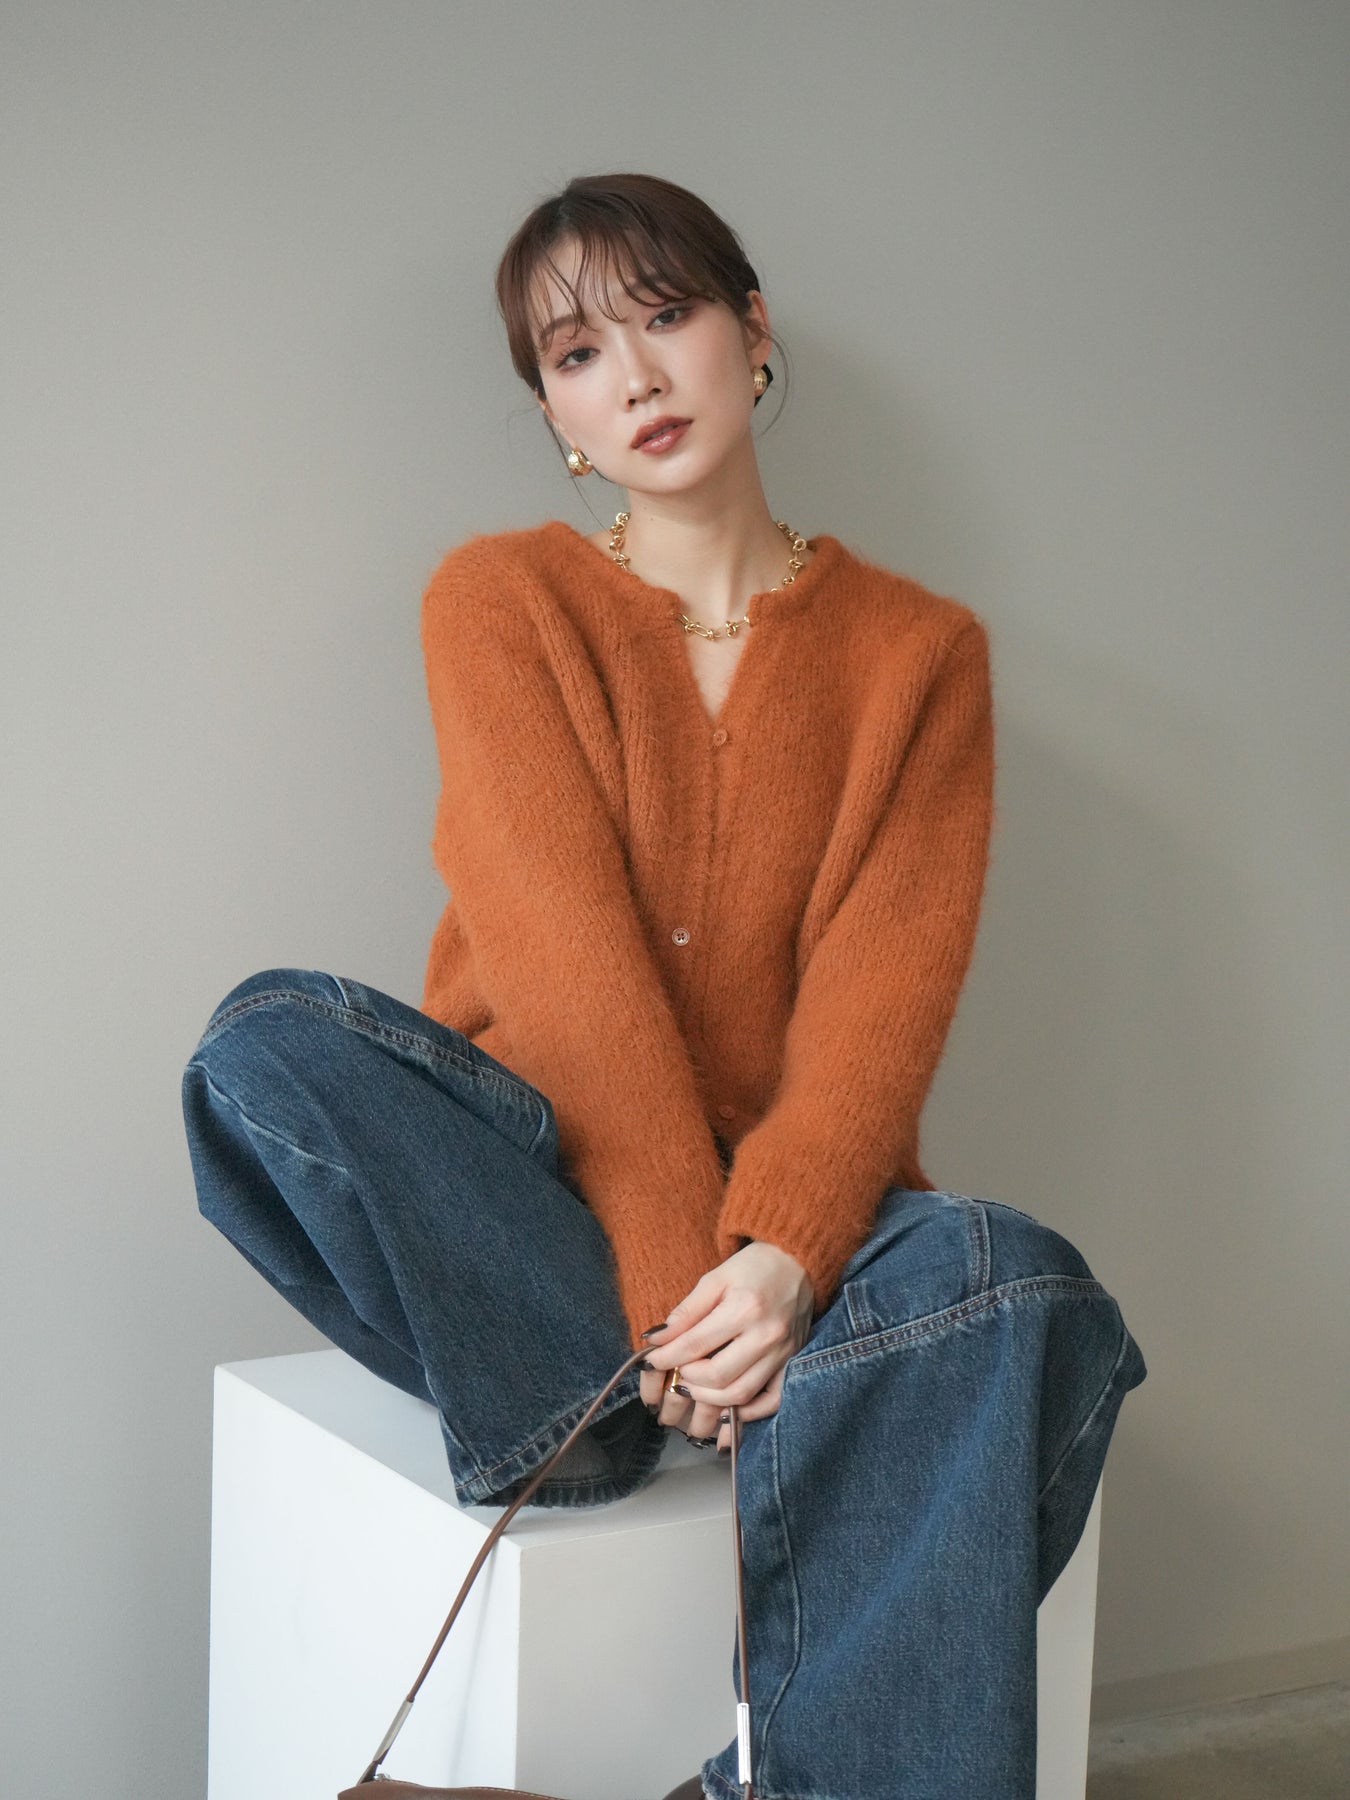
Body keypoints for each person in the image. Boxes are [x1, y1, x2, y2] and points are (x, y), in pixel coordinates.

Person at [182, 172, 1147, 1800]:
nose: (631, 376)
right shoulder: (500, 601)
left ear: (750, 331)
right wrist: (664, 1289)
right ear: (552, 413)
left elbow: (883, 996)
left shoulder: (919, 653)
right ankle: (597, 1396)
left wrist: (779, 1260)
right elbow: (558, 961)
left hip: (782, 1240)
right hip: (537, 1220)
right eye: (575, 354)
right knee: (262, 1045)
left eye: (665, 315)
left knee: (1013, 1277)